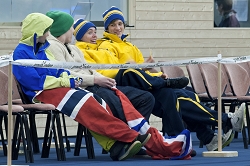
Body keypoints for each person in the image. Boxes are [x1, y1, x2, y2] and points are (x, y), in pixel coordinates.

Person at [73, 7, 245, 152]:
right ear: (107, 28)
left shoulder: (129, 45)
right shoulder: (104, 46)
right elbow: (116, 69)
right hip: (126, 84)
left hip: (143, 82)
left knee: (182, 95)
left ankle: (202, 138)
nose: (117, 28)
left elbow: (141, 68)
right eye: (112, 25)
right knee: (152, 84)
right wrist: (136, 66)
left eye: (120, 23)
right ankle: (220, 123)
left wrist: (155, 73)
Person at [11, 12, 154, 161]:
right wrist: (67, 81)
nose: (48, 34)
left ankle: (116, 146)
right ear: (37, 32)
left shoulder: (40, 48)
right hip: (38, 93)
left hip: (52, 88)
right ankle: (129, 136)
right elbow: (35, 82)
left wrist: (70, 79)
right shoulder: (21, 52)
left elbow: (58, 70)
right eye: (46, 30)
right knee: (86, 104)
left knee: (94, 101)